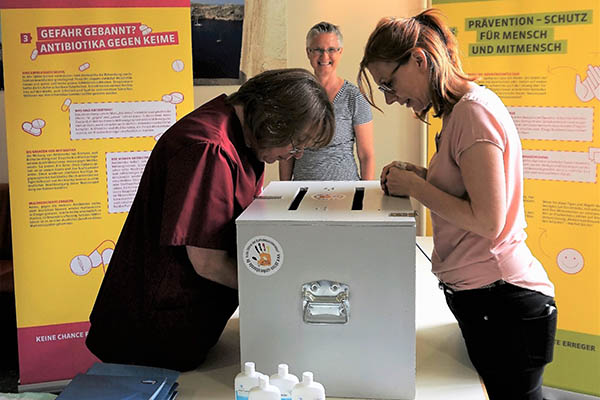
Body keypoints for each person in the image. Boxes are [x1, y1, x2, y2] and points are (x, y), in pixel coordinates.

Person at [358, 9, 557, 400]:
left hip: (503, 302)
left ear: (418, 58)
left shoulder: (472, 114)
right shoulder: (459, 112)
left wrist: (416, 186)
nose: (393, 97)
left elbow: (487, 221)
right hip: (488, 299)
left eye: (389, 84)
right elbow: (468, 189)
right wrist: (419, 176)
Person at [86, 68, 335, 371]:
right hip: (153, 329)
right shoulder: (210, 150)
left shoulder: (238, 135)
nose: (292, 155)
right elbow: (207, 261)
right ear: (275, 120)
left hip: (182, 319)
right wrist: (276, 291)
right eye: (296, 145)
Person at [279, 22, 374, 181]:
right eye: (318, 50)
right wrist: (284, 191)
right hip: (302, 194)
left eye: (331, 50)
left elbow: (366, 155)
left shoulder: (354, 97)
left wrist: (365, 197)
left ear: (340, 52)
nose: (324, 56)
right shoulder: (293, 95)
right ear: (308, 52)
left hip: (346, 193)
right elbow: (286, 152)